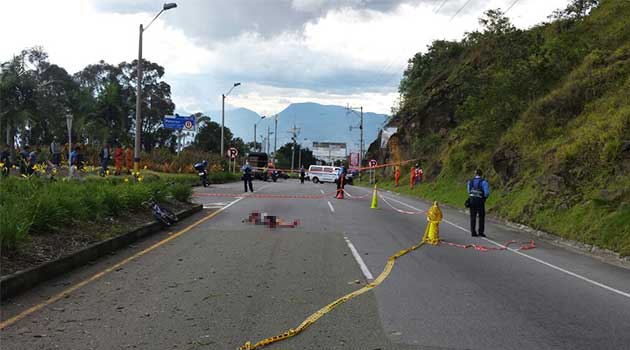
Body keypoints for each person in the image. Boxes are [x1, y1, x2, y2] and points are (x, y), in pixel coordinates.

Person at [467, 169, 490, 237]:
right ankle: (480, 232)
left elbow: (469, 191)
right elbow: (486, 193)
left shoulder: (470, 181)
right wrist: (484, 198)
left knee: (472, 216)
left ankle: (473, 232)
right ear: (481, 174)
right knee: (481, 217)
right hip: (480, 201)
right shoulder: (484, 182)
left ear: (475, 174)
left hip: (472, 200)